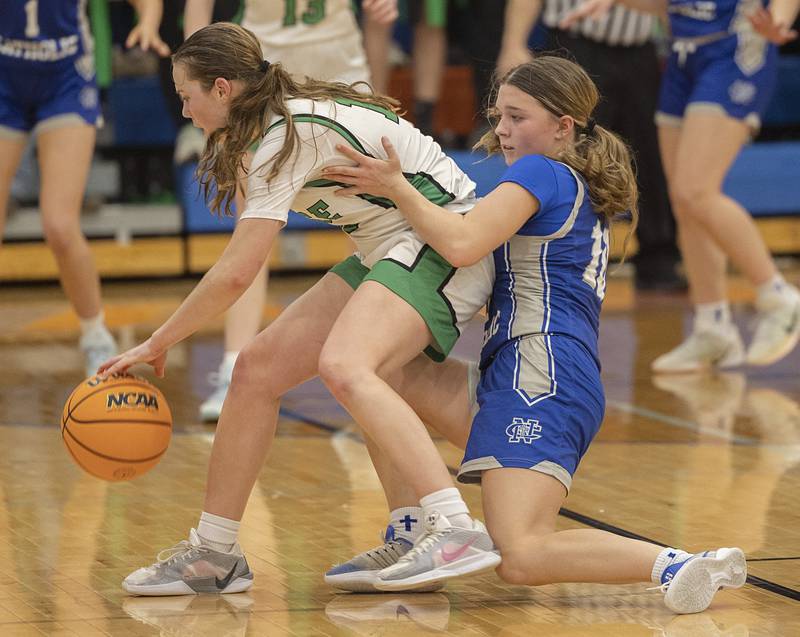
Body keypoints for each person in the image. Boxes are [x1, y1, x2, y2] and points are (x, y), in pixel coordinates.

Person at [321, 55, 748, 613]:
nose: (502, 129)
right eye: (498, 115)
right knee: (381, 374)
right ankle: (411, 531)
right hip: (533, 371)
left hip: (539, 375)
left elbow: (463, 243)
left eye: (518, 117)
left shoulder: (543, 171)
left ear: (562, 127)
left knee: (519, 554)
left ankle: (677, 565)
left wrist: (397, 187)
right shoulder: (568, 182)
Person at [100, 21, 501, 596]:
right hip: (391, 246)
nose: (184, 111)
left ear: (221, 89)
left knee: (348, 364)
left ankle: (455, 527)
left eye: (186, 96)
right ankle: (217, 555)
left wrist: (157, 341)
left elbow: (237, 271)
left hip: (442, 238)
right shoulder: (271, 127)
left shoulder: (287, 134)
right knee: (257, 369)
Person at [182, 0, 399, 422]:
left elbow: (380, 16)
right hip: (260, 63)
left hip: (339, 62)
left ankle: (377, 358)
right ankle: (233, 362)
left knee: (367, 213)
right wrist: (198, 77)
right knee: (252, 228)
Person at [562, 0, 800, 373]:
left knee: (696, 192)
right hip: (683, 57)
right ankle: (713, 327)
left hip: (735, 51)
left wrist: (781, 20)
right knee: (683, 201)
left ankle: (778, 296)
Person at [0, 0, 168, 377]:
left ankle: (96, 336)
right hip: (4, 75)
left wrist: (150, 22)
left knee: (59, 225)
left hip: (66, 77)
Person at [497, 0, 684, 291]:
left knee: (650, 156)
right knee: (573, 154)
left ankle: (658, 259)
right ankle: (570, 254)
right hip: (575, 47)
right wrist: (513, 41)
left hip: (640, 49)